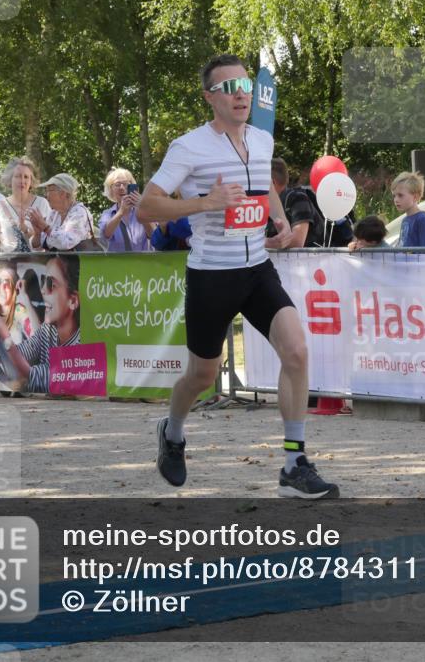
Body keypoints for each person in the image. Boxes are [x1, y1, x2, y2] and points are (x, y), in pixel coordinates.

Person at [137, 53, 338, 498]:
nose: (240, 94)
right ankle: (172, 432)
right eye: (228, 88)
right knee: (203, 376)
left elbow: (263, 184)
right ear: (210, 97)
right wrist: (205, 204)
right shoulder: (188, 147)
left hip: (256, 269)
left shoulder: (261, 138)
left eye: (244, 85)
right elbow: (147, 206)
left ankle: (293, 464)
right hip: (212, 275)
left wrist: (281, 221)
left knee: (298, 351)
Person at [0, 255, 81, 394]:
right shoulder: (48, 330)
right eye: (43, 281)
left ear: (73, 301)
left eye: (51, 284)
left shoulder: (82, 343)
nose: (42, 290)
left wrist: (1, 330)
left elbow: (30, 377)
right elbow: (20, 356)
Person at [0, 157, 53, 253]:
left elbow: (51, 239)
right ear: (10, 179)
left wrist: (28, 230)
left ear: (31, 181)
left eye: (26, 177)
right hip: (8, 263)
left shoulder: (42, 203)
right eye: (18, 176)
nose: (22, 180)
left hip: (38, 263)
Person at [28, 173, 98, 252]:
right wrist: (37, 234)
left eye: (48, 190)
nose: (46, 195)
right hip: (55, 262)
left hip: (79, 263)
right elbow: (38, 247)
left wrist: (45, 227)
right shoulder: (54, 214)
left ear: (62, 193)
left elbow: (67, 243)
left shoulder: (80, 213)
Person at [99, 167, 155, 252]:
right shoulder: (108, 214)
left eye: (125, 184)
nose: (121, 188)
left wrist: (141, 209)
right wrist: (121, 212)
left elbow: (153, 234)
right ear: (111, 190)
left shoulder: (144, 210)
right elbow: (105, 235)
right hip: (118, 263)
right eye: (117, 184)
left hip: (144, 263)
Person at [266, 157, 315, 248]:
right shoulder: (265, 205)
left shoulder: (298, 199)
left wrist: (258, 243)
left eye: (261, 182)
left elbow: (297, 242)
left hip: (307, 261)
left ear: (272, 182)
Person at [0, 260, 37, 346]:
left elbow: (37, 338)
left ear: (15, 289)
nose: (2, 286)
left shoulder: (19, 311)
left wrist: (25, 298)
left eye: (8, 282)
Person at [392, 171, 425, 247]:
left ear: (415, 197)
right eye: (394, 196)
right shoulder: (405, 220)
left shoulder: (423, 220)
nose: (396, 199)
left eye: (400, 195)